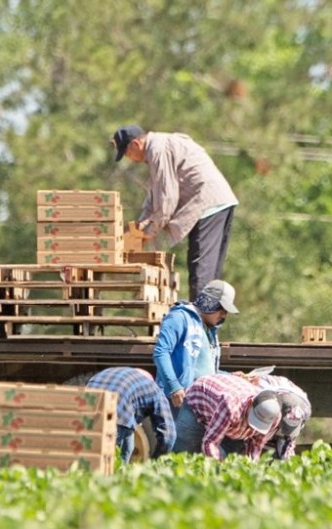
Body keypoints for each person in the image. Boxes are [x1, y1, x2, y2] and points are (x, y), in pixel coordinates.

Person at [113, 125, 238, 300]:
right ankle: (209, 316)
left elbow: (167, 199)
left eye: (127, 154)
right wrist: (140, 226)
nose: (130, 159)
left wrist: (150, 231)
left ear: (135, 144)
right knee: (209, 275)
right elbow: (155, 195)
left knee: (201, 273)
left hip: (208, 203)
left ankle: (199, 317)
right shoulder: (160, 145)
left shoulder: (158, 150)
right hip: (220, 202)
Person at [153, 279, 238, 414]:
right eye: (222, 309)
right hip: (177, 401)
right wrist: (174, 386)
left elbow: (205, 370)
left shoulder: (209, 330)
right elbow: (161, 352)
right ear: (211, 303)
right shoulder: (179, 317)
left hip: (198, 403)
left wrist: (232, 377)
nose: (224, 315)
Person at [172, 373, 281, 460]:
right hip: (198, 403)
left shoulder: (274, 417)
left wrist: (252, 467)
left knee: (230, 456)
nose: (253, 427)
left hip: (225, 418)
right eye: (255, 418)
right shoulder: (231, 406)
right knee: (184, 452)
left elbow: (256, 445)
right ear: (251, 404)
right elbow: (210, 442)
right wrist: (219, 466)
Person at [84, 367, 176, 463]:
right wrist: (156, 461)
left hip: (87, 412)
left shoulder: (109, 373)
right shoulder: (153, 388)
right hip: (118, 414)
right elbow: (168, 435)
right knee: (117, 461)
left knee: (89, 459)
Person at [256, 374, 312, 461]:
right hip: (265, 398)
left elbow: (289, 442)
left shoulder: (305, 410)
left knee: (285, 444)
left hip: (288, 393)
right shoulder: (266, 404)